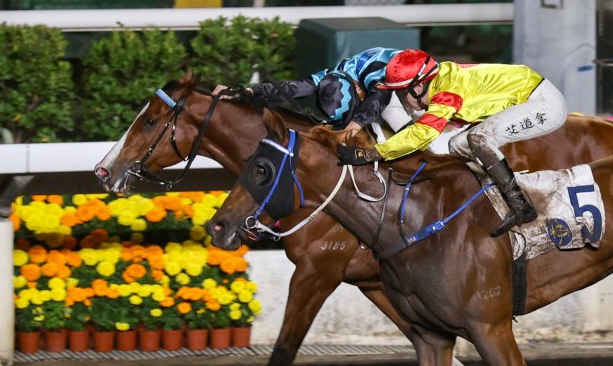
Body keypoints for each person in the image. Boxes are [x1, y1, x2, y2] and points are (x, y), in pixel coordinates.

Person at [335, 49, 568, 236]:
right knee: (457, 144)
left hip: (544, 104)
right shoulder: (438, 81)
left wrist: (371, 154)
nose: (401, 101)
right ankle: (492, 199)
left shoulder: (447, 92)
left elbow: (420, 135)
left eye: (401, 92)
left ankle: (521, 207)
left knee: (478, 138)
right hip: (525, 96)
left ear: (417, 87)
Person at [214, 46, 406, 133]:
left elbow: (378, 99)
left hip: (417, 87)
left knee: (387, 110)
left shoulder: (376, 69)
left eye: (358, 101)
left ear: (356, 87)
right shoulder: (327, 77)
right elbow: (288, 89)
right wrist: (243, 92)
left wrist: (353, 126)